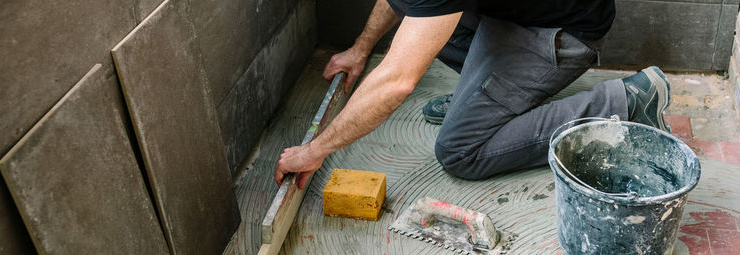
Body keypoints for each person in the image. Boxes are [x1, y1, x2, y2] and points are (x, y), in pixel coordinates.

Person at [274, 0, 672, 189]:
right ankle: (486, 100)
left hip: (565, 32)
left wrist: (315, 150)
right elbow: (406, 2)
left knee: (461, 151)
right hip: (522, 14)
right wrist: (360, 50)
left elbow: (398, 80)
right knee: (426, 27)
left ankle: (628, 101)